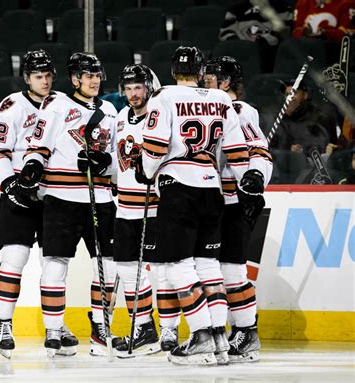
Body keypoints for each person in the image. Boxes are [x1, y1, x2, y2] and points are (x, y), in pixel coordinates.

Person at [139, 46, 249, 366]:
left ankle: (201, 335)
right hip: (211, 186)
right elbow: (237, 149)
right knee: (208, 265)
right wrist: (245, 183)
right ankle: (218, 339)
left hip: (179, 185)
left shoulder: (163, 96)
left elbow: (156, 145)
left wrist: (146, 172)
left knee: (178, 265)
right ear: (201, 71)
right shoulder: (221, 99)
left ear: (174, 71)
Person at [21, 52, 119, 357]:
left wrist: (107, 162)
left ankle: (101, 326)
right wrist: (33, 166)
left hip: (101, 199)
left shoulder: (112, 110)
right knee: (55, 264)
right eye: (87, 75)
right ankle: (53, 329)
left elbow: (120, 159)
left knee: (107, 265)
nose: (93, 80)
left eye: (97, 75)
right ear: (75, 79)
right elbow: (37, 146)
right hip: (61, 198)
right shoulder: (57, 105)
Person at [0, 50, 77, 359]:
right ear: (27, 78)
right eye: (39, 76)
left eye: (49, 75)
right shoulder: (12, 106)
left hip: (55, 195)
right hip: (19, 196)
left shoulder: (64, 103)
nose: (46, 81)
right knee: (14, 259)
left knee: (55, 264)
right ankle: (4, 324)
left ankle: (55, 325)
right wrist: (9, 185)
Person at [204, 56, 273, 363]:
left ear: (227, 82)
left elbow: (259, 151)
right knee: (206, 271)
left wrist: (255, 177)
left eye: (211, 76)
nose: (205, 80)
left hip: (232, 201)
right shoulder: (208, 107)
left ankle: (246, 332)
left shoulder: (241, 111)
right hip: (206, 201)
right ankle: (213, 333)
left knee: (231, 270)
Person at [111, 64, 162, 358]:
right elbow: (119, 163)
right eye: (128, 89)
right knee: (128, 270)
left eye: (138, 88)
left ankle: (167, 329)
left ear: (149, 87)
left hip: (154, 208)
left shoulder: (160, 117)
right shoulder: (120, 117)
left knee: (162, 274)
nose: (132, 94)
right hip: (125, 207)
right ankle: (143, 328)